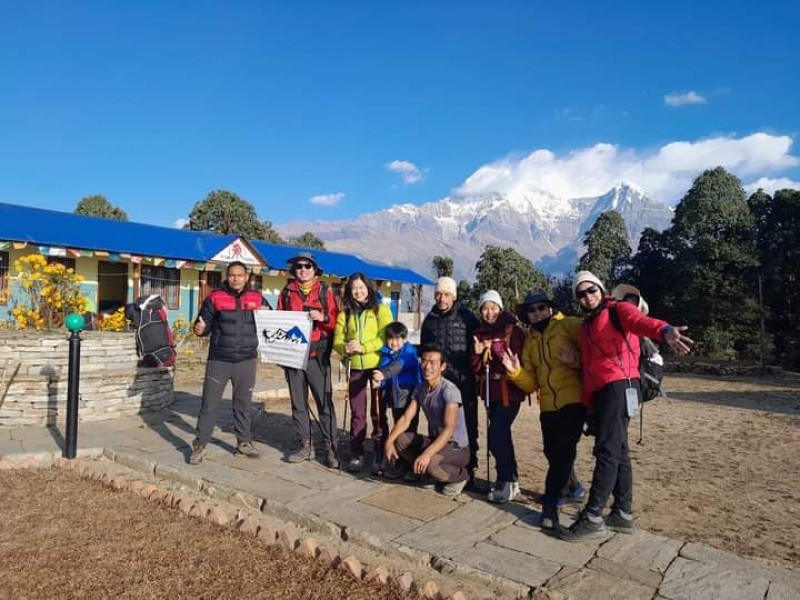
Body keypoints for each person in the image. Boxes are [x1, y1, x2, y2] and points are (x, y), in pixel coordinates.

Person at [560, 271, 693, 542]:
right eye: (581, 294)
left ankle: (593, 516)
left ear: (601, 289)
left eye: (591, 290)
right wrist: (588, 401)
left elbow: (641, 322)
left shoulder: (618, 310)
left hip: (620, 385)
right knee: (618, 450)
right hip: (604, 392)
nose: (587, 297)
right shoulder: (588, 325)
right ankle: (622, 512)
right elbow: (589, 367)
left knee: (607, 451)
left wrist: (665, 330)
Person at [502, 290, 586, 531]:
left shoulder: (569, 326)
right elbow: (532, 384)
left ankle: (551, 504)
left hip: (573, 401)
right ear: (527, 315)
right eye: (532, 310)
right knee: (552, 452)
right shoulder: (530, 342)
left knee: (562, 453)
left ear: (550, 308)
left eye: (541, 307)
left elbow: (593, 349)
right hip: (548, 407)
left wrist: (576, 361)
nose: (537, 313)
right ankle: (575, 488)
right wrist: (515, 371)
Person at [189, 261, 270, 465]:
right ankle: (200, 445)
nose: (236, 278)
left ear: (247, 277)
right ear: (227, 276)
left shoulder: (257, 298)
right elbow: (202, 325)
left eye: (240, 275)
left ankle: (243, 443)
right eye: (232, 275)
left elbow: (271, 322)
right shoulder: (215, 297)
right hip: (219, 359)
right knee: (209, 403)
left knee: (243, 404)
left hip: (246, 360)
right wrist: (198, 328)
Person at [278, 252, 340, 468]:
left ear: (315, 270)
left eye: (307, 266)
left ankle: (331, 446)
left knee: (324, 401)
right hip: (294, 356)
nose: (303, 270)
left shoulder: (325, 291)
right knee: (298, 403)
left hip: (318, 356)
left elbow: (336, 321)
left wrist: (323, 318)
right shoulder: (286, 292)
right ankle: (305, 444)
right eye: (298, 267)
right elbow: (280, 323)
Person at [384, 343, 471, 497]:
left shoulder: (450, 391)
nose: (427, 366)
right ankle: (428, 473)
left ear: (442, 366)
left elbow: (449, 428)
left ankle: (460, 477)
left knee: (431, 462)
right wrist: (389, 442)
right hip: (436, 441)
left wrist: (427, 454)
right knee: (401, 440)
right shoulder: (420, 388)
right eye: (424, 361)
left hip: (457, 446)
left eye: (433, 363)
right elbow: (405, 418)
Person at [420, 276, 481, 488]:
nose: (441, 298)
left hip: (464, 382)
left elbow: (478, 345)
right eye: (438, 294)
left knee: (469, 427)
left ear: (453, 296)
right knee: (436, 424)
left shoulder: (467, 318)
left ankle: (469, 470)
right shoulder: (430, 320)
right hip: (439, 384)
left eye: (446, 294)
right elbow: (424, 352)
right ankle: (437, 468)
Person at [469, 290, 526, 503]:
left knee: (497, 435)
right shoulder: (480, 333)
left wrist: (493, 345)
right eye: (485, 307)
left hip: (510, 391)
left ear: (500, 308)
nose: (489, 312)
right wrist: (477, 352)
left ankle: (508, 481)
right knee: (501, 436)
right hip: (489, 392)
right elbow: (475, 367)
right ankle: (509, 480)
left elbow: (516, 358)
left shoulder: (514, 331)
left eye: (493, 307)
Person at [333, 272, 393, 472]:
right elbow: (337, 341)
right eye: (354, 288)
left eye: (361, 287)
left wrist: (364, 347)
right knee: (357, 413)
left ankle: (379, 452)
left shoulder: (380, 310)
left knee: (378, 411)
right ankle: (356, 453)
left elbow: (386, 337)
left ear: (368, 287)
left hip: (377, 365)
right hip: (355, 368)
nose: (358, 291)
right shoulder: (346, 313)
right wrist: (345, 349)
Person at [371, 321, 423, 477]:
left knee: (409, 430)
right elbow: (384, 367)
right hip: (394, 397)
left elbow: (398, 366)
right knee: (398, 427)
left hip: (409, 395)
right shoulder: (386, 353)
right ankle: (400, 462)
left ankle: (410, 464)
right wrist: (378, 380)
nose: (395, 342)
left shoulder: (409, 352)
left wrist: (383, 374)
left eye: (399, 338)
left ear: (405, 339)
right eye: (391, 338)